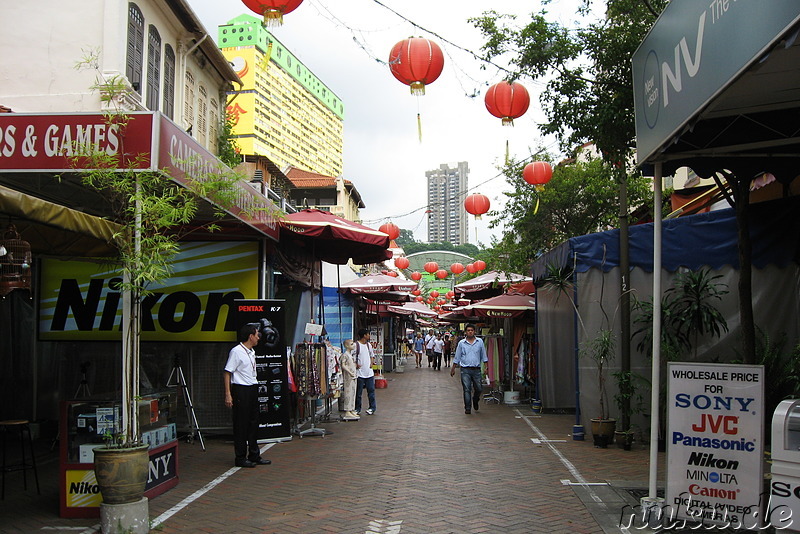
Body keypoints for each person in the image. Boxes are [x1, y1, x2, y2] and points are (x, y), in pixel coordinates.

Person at [224, 323, 271, 467]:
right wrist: (228, 394)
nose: (259, 338)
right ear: (250, 336)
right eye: (257, 335)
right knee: (241, 424)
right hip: (241, 389)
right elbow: (227, 372)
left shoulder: (251, 352)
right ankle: (240, 457)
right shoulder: (236, 351)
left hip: (252, 388)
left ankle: (254, 454)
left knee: (253, 422)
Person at [450, 325, 488, 414]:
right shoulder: (461, 343)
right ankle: (468, 407)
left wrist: (486, 367)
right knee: (467, 389)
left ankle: (475, 399)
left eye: (471, 330)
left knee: (479, 388)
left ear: (474, 331)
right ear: (465, 332)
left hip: (476, 369)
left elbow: (484, 355)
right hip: (465, 370)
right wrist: (453, 368)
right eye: (468, 330)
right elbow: (457, 356)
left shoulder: (480, 342)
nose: (470, 332)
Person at [354, 328, 377, 415]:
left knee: (371, 391)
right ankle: (357, 408)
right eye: (368, 334)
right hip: (360, 373)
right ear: (364, 335)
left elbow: (372, 355)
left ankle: (372, 407)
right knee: (358, 393)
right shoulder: (356, 345)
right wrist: (355, 364)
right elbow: (352, 357)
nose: (369, 336)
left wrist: (371, 363)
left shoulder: (369, 345)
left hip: (369, 373)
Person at [340, 339, 360, 421]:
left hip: (353, 376)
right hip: (348, 377)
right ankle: (347, 410)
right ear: (347, 346)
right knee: (348, 393)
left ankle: (351, 409)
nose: (353, 345)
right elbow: (343, 365)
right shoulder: (345, 355)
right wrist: (349, 372)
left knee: (353, 393)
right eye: (352, 344)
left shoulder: (350, 355)